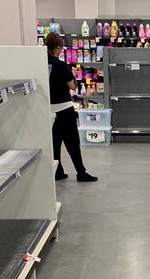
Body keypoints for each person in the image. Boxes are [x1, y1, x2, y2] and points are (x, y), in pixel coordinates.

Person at [46, 32, 98, 182]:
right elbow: (72, 86)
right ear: (56, 48)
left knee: (54, 144)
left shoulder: (40, 65)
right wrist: (75, 82)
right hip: (64, 110)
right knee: (73, 144)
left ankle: (57, 171)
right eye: (60, 48)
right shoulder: (62, 66)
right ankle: (81, 173)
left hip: (49, 111)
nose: (61, 51)